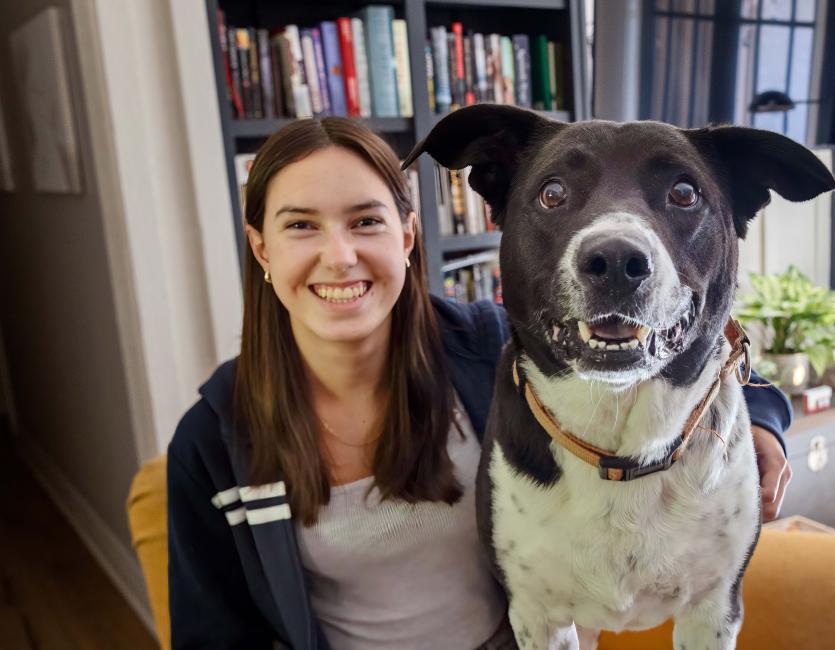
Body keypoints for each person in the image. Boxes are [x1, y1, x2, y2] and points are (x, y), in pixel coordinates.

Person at [166, 117, 794, 650]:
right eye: (301, 225)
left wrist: (762, 416)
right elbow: (213, 634)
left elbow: (691, 350)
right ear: (262, 249)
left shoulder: (487, 346)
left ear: (407, 238)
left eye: (365, 222)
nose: (339, 255)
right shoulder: (214, 442)